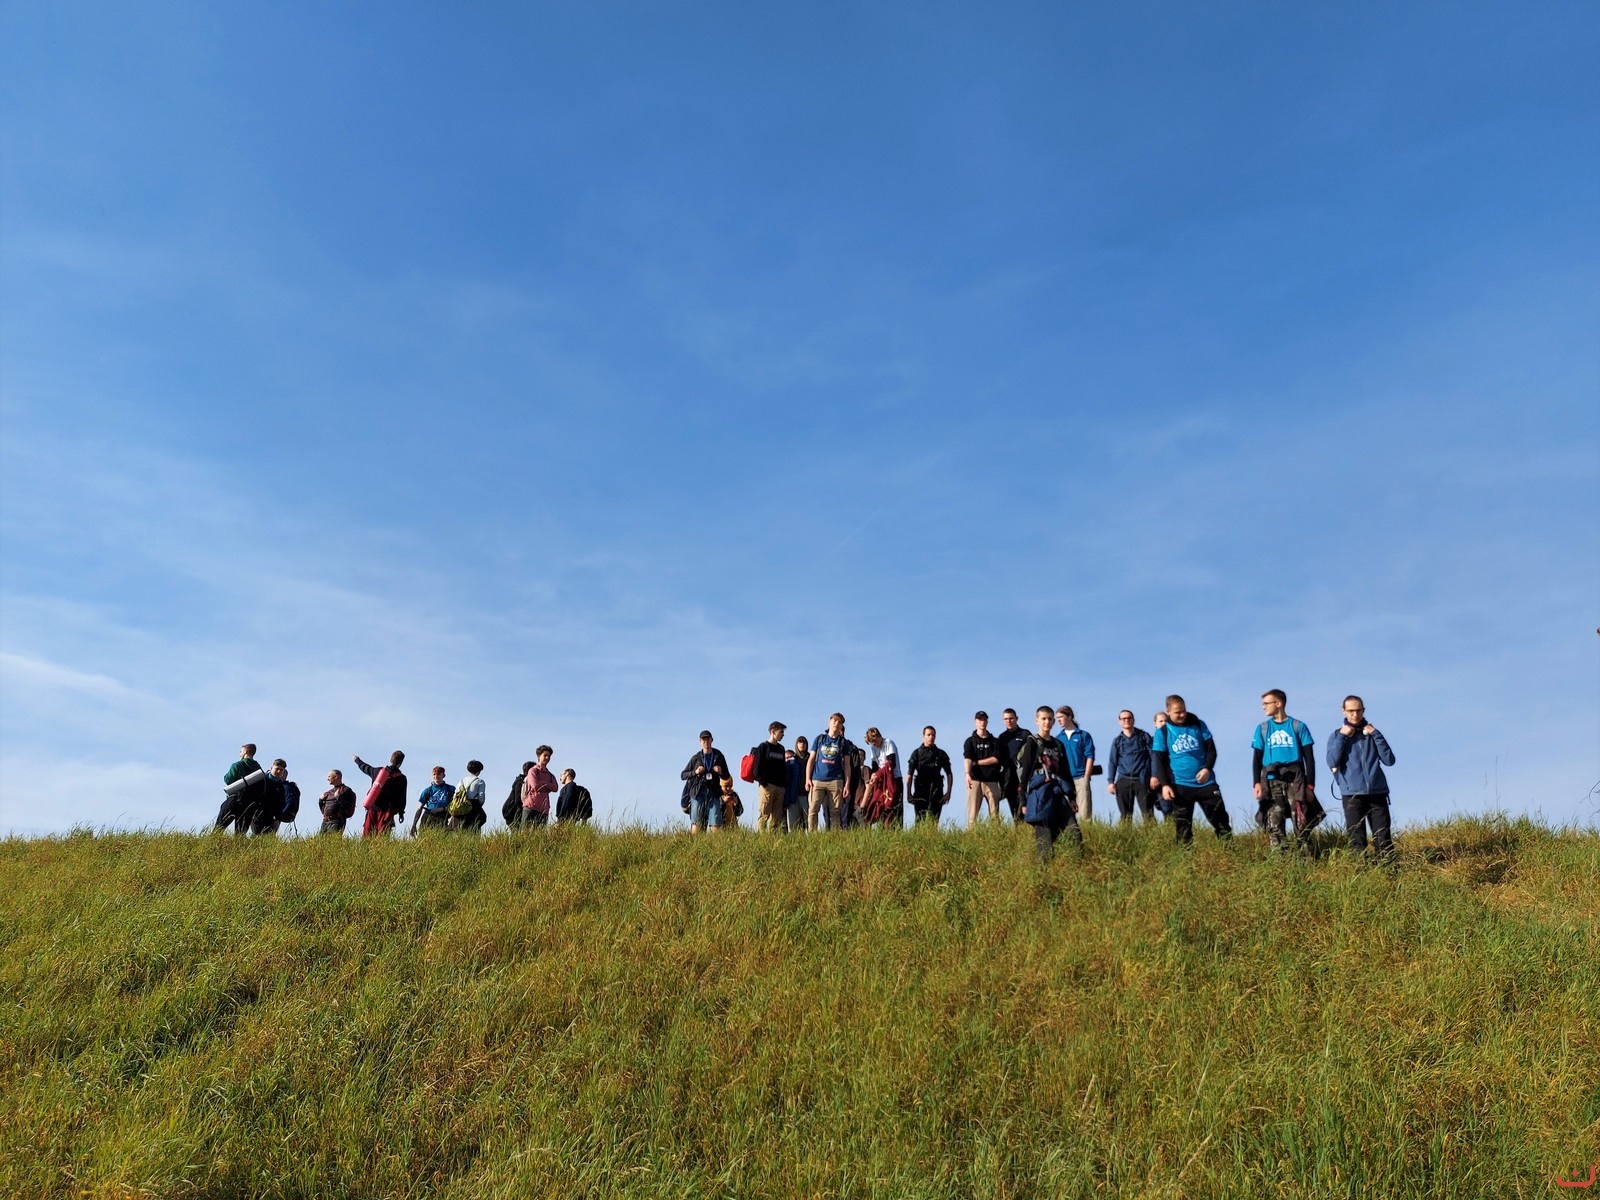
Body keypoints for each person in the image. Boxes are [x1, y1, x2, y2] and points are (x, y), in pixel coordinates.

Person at [1326, 695, 1397, 864]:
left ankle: (1389, 874)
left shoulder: (1372, 734)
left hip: (1377, 792)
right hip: (1352, 794)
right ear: (1343, 711)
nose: (1355, 714)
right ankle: (1360, 874)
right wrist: (1342, 736)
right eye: (1351, 711)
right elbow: (1332, 761)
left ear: (1363, 710)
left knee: (1383, 839)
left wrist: (1376, 733)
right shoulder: (1336, 735)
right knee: (1357, 841)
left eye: (1358, 710)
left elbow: (1389, 760)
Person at [1151, 696, 1231, 844]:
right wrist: (1165, 785)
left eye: (1184, 711)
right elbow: (1159, 760)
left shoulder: (1198, 724)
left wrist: (1207, 769)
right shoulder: (1162, 732)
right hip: (1180, 785)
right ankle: (1185, 856)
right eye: (1177, 712)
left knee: (1221, 822)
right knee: (1183, 828)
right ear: (1168, 712)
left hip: (1206, 783)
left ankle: (1229, 851)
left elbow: (1211, 751)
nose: (1182, 715)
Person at [1252, 690, 1321, 852]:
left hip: (1295, 781)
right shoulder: (1262, 729)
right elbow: (1257, 758)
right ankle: (1280, 861)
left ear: (1278, 703)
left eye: (1266, 703)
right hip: (1271, 781)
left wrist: (1310, 786)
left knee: (1301, 823)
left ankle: (1307, 860)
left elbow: (1309, 759)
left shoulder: (1298, 726)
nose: (1263, 707)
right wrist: (1256, 783)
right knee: (1274, 824)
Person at [1014, 706, 1084, 861]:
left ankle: (1077, 865)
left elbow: (1065, 772)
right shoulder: (1032, 742)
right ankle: (1043, 871)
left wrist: (1072, 797)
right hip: (1040, 794)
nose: (1047, 722)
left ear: (1053, 722)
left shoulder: (1058, 744)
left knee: (1074, 831)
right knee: (1044, 839)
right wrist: (1023, 800)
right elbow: (1025, 774)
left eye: (1050, 719)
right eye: (1044, 719)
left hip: (1057, 792)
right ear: (1037, 721)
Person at [806, 714, 853, 831]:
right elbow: (811, 759)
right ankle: (812, 835)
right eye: (835, 720)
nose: (836, 723)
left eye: (839, 722)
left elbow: (847, 765)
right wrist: (807, 779)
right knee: (813, 809)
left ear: (841, 726)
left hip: (836, 780)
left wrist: (847, 785)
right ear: (829, 722)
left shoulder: (843, 742)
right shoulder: (819, 739)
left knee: (835, 812)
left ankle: (835, 835)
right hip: (817, 779)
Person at [1107, 711, 1156, 823]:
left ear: (1133, 720)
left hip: (1142, 779)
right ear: (1119, 721)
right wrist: (1110, 781)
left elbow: (1153, 756)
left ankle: (1152, 833)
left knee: (1148, 813)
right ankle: (1125, 834)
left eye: (1129, 718)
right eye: (1123, 718)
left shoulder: (1144, 736)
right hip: (1123, 779)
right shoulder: (1117, 741)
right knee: (1125, 815)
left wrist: (1154, 775)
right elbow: (1112, 762)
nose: (1126, 720)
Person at [681, 730, 730, 833]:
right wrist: (695, 772)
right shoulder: (696, 758)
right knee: (696, 823)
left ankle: (715, 843)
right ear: (700, 741)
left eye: (708, 739)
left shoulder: (718, 756)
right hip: (698, 792)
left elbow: (727, 776)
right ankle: (695, 842)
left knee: (716, 824)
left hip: (713, 792)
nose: (706, 742)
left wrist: (720, 772)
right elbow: (683, 775)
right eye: (703, 739)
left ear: (712, 740)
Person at [1054, 707, 1096, 823]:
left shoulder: (1083, 735)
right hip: (1065, 781)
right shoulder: (1058, 738)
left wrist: (1086, 777)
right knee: (1066, 815)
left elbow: (1090, 756)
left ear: (1070, 716)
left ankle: (1087, 833)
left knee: (1084, 814)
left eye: (1061, 717)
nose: (1058, 720)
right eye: (1057, 718)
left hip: (1080, 778)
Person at [962, 711, 1004, 827]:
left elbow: (995, 759)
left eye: (984, 720)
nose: (982, 722)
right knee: (972, 815)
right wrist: (967, 773)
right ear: (975, 722)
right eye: (980, 720)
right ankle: (972, 835)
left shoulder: (994, 741)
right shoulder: (970, 741)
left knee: (995, 814)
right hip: (975, 779)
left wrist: (977, 762)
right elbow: (967, 758)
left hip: (992, 779)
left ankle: (996, 834)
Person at [906, 726, 953, 826]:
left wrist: (948, 792)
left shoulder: (940, 754)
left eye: (933, 735)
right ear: (923, 736)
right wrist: (909, 793)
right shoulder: (916, 753)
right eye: (928, 735)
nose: (931, 737)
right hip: (920, 791)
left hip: (937, 790)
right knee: (919, 822)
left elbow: (949, 773)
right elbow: (909, 774)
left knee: (934, 823)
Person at [748, 722, 790, 833]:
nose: (783, 735)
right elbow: (756, 769)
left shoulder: (781, 748)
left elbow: (783, 768)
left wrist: (783, 787)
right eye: (781, 732)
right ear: (773, 731)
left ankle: (773, 839)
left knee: (776, 818)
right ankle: (761, 838)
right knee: (764, 815)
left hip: (779, 788)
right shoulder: (763, 747)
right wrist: (764, 784)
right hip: (767, 786)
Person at [354, 750, 407, 838]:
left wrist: (357, 760)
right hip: (386, 812)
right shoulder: (401, 778)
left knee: (366, 836)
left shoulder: (378, 771)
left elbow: (365, 767)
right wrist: (401, 812)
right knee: (381, 839)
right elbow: (402, 797)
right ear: (401, 762)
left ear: (390, 759)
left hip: (371, 809)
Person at [216, 743, 266, 835]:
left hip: (234, 800)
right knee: (240, 834)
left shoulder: (237, 765)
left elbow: (228, 780)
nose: (239, 754)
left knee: (218, 829)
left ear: (246, 752)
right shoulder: (259, 769)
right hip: (249, 805)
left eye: (240, 751)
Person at [860, 727, 903, 827]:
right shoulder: (873, 748)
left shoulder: (888, 743)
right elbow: (875, 766)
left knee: (893, 806)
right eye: (872, 743)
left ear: (879, 737)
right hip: (881, 781)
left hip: (894, 779)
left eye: (875, 741)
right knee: (877, 804)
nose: (874, 744)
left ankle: (894, 829)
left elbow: (891, 764)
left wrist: (878, 774)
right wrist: (874, 775)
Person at [996, 709, 1030, 822]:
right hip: (1009, 777)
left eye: (1011, 718)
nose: (1008, 721)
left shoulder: (1025, 734)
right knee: (1015, 809)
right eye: (1006, 719)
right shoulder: (1002, 737)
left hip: (1023, 775)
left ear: (1016, 718)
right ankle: (1018, 828)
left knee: (1025, 805)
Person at [256, 758, 300, 836]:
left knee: (268, 839)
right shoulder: (262, 781)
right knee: (257, 837)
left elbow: (282, 803)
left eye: (281, 770)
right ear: (271, 768)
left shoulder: (281, 786)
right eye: (277, 769)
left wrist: (279, 818)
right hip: (257, 816)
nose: (279, 771)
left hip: (272, 818)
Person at [521, 747, 558, 828]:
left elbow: (555, 788)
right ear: (538, 756)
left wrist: (542, 783)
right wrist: (548, 785)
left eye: (549, 756)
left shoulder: (550, 775)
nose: (547, 758)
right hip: (531, 806)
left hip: (544, 809)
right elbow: (535, 785)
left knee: (540, 833)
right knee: (525, 832)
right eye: (545, 755)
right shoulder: (533, 771)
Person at [412, 766, 453, 834]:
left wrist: (442, 809)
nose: (436, 776)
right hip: (428, 817)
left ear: (443, 775)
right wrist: (414, 824)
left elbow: (455, 805)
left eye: (438, 774)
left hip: (442, 817)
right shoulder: (427, 791)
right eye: (434, 774)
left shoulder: (450, 789)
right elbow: (419, 808)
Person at [318, 769, 357, 835]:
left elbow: (349, 806)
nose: (327, 779)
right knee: (320, 840)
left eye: (329, 776)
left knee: (333, 839)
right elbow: (322, 809)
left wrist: (338, 797)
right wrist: (320, 800)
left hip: (338, 821)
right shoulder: (329, 792)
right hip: (325, 821)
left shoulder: (346, 790)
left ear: (336, 777)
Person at [452, 760, 489, 832]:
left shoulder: (462, 781)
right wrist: (479, 805)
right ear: (479, 771)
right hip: (474, 805)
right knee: (479, 821)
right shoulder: (480, 781)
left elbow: (455, 794)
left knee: (462, 826)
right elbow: (481, 796)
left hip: (461, 805)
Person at [783, 736, 810, 832]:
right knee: (792, 824)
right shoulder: (792, 760)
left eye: (804, 742)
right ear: (796, 744)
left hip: (807, 794)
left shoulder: (811, 758)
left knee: (809, 822)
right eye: (799, 742)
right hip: (793, 796)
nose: (802, 744)